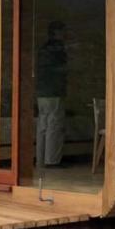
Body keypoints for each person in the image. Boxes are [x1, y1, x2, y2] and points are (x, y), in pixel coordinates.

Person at [36, 20, 67, 167]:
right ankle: (52, 161)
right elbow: (59, 68)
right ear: (56, 32)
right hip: (54, 91)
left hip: (41, 92)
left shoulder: (43, 48)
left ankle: (41, 159)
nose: (64, 34)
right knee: (54, 125)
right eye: (62, 31)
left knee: (43, 125)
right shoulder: (57, 48)